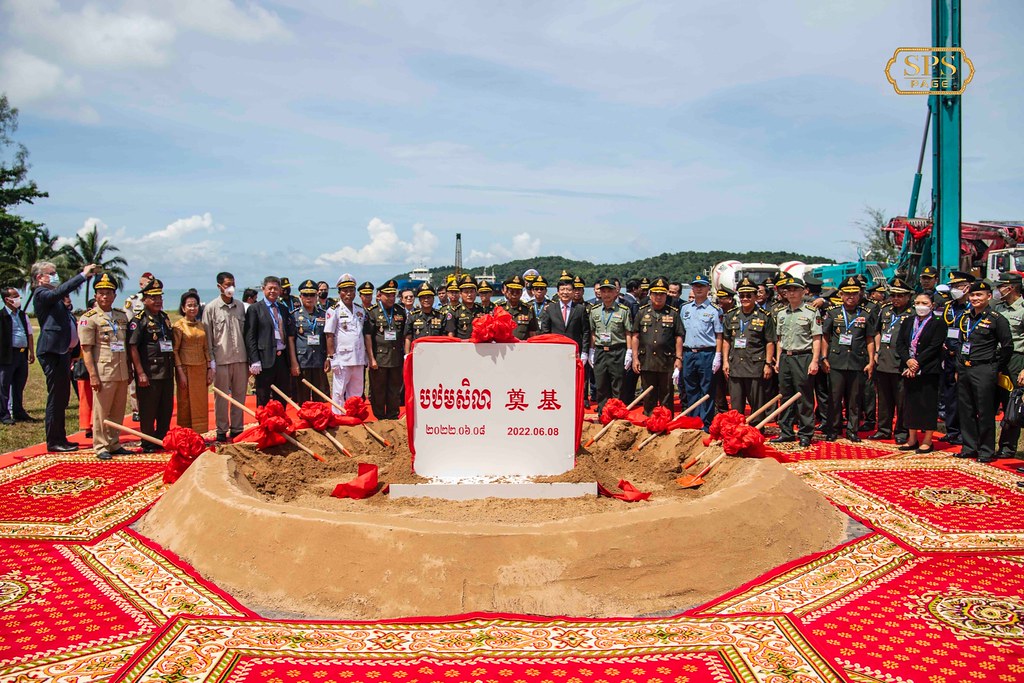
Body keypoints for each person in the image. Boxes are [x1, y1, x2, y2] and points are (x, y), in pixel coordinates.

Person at [32, 261, 99, 451]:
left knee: (62, 397)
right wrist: (82, 276)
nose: (55, 276)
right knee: (56, 397)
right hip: (51, 352)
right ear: (40, 277)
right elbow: (57, 293)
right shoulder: (41, 293)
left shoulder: (56, 300)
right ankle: (54, 441)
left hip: (64, 353)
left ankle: (61, 438)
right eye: (51, 273)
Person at [955, 280, 1012, 463]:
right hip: (965, 367)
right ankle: (969, 447)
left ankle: (986, 450)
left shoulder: (996, 318)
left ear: (989, 296)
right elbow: (959, 343)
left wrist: (996, 367)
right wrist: (959, 366)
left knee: (985, 410)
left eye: (979, 295)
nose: (975, 298)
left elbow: (1007, 346)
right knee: (966, 409)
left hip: (984, 368)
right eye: (972, 295)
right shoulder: (965, 317)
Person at [78, 274, 132, 459]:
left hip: (121, 370)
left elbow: (125, 345)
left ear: (114, 295)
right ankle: (100, 445)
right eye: (101, 293)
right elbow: (86, 350)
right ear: (96, 295)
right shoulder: (89, 318)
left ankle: (114, 442)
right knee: (102, 411)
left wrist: (129, 369)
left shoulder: (121, 316)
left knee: (118, 410)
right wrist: (92, 375)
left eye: (108, 293)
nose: (105, 297)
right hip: (104, 371)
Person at [821, 276, 877, 442]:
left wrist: (871, 361)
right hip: (836, 361)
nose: (850, 296)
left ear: (859, 294)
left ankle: (853, 430)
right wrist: (824, 357)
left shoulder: (866, 314)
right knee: (834, 398)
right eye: (847, 293)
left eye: (854, 293)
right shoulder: (833, 312)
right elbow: (825, 336)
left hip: (857, 361)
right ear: (841, 294)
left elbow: (870, 339)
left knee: (854, 400)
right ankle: (834, 429)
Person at [772, 276, 822, 448]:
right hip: (786, 356)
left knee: (804, 396)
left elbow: (817, 338)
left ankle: (805, 433)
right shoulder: (781, 313)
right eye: (789, 290)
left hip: (803, 356)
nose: (791, 293)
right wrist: (778, 359)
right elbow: (779, 339)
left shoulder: (811, 312)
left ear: (803, 291)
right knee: (785, 396)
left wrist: (815, 361)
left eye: (795, 289)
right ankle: (785, 431)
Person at [127, 278, 176, 447]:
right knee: (148, 410)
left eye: (160, 298)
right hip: (149, 373)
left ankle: (162, 438)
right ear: (144, 299)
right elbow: (133, 347)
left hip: (167, 371)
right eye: (153, 298)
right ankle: (148, 442)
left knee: (165, 408)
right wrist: (140, 372)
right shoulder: (138, 320)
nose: (158, 301)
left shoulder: (164, 318)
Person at [895, 293, 946, 452]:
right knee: (910, 404)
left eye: (924, 303)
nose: (920, 306)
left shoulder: (938, 322)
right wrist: (908, 361)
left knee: (927, 404)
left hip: (928, 369)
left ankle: (928, 440)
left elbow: (934, 346)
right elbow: (901, 343)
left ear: (931, 305)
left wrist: (917, 363)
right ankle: (912, 438)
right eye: (917, 302)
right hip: (909, 368)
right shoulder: (909, 321)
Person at [203, 272, 248, 442]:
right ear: (219, 286)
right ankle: (221, 429)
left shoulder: (240, 306)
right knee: (221, 398)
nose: (231, 288)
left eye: (233, 284)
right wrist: (210, 361)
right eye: (227, 284)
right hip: (221, 360)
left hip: (240, 358)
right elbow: (208, 336)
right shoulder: (211, 308)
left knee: (239, 396)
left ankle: (237, 429)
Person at [630, 277, 684, 415]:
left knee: (667, 394)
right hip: (646, 359)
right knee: (648, 394)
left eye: (662, 294)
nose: (658, 297)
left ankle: (665, 421)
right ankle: (650, 419)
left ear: (666, 295)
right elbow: (635, 336)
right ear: (650, 294)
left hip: (666, 360)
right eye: (655, 294)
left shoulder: (673, 313)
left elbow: (679, 336)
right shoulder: (642, 312)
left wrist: (679, 358)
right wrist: (634, 358)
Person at [722, 277, 775, 416]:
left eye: (748, 295)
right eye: (742, 295)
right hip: (735, 365)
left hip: (755, 365)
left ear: (755, 296)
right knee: (736, 404)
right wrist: (725, 361)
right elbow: (726, 340)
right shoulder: (731, 315)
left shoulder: (765, 317)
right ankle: (736, 429)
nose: (745, 298)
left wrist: (768, 364)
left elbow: (770, 341)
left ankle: (757, 429)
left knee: (757, 403)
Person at [244, 276, 300, 407]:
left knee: (281, 396)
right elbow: (250, 336)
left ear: (280, 290)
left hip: (282, 359)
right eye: (270, 288)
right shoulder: (255, 309)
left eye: (276, 288)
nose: (273, 291)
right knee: (263, 397)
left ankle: (280, 424)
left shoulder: (283, 309)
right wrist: (254, 360)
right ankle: (264, 425)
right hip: (264, 360)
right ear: (263, 289)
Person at [871, 277, 913, 443]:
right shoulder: (885, 310)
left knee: (901, 400)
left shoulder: (913, 313)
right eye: (893, 295)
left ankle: (901, 431)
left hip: (901, 362)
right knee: (884, 399)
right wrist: (876, 350)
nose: (896, 299)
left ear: (908, 297)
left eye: (900, 296)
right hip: (884, 360)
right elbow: (878, 331)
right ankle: (883, 429)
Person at [679, 275, 724, 430]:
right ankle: (693, 421)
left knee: (706, 390)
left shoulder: (715, 310)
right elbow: (681, 333)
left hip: (707, 353)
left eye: (702, 286)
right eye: (696, 286)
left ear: (707, 289)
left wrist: (718, 355)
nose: (698, 289)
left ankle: (706, 423)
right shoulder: (685, 309)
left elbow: (719, 334)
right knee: (690, 389)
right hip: (689, 353)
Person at [588, 277, 634, 416]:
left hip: (617, 351)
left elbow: (628, 333)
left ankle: (617, 415)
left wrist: (629, 352)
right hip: (601, 351)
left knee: (618, 386)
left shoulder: (623, 310)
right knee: (601, 385)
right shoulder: (594, 311)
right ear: (599, 293)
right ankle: (604, 414)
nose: (606, 294)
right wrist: (591, 350)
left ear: (616, 293)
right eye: (603, 291)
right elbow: (593, 332)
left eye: (610, 291)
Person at [939, 271, 974, 445]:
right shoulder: (948, 306)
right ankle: (952, 429)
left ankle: (964, 432)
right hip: (948, 355)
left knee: (964, 395)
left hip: (965, 356)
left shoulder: (972, 308)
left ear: (967, 287)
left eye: (957, 286)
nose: (954, 289)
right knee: (949, 394)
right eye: (952, 286)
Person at [364, 279, 406, 419]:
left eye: (393, 295)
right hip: (379, 358)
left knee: (394, 389)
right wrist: (371, 358)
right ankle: (379, 416)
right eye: (387, 295)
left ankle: (393, 415)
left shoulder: (400, 311)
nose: (391, 298)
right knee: (378, 390)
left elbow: (405, 334)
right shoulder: (373, 312)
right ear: (380, 295)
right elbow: (368, 336)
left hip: (396, 358)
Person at [324, 274, 367, 411]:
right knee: (338, 392)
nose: (348, 293)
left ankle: (353, 416)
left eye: (351, 290)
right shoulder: (334, 310)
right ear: (339, 292)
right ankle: (338, 417)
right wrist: (331, 357)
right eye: (345, 290)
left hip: (358, 357)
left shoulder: (360, 310)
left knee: (357, 391)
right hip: (342, 357)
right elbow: (329, 335)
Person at [172, 291, 212, 433]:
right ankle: (186, 434)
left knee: (200, 402)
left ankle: (200, 433)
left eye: (195, 305)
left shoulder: (201, 325)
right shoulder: (178, 326)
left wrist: (209, 369)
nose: (192, 308)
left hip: (200, 369)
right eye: (189, 305)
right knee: (186, 403)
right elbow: (175, 350)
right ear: (183, 308)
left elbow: (206, 348)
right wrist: (180, 372)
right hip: (185, 369)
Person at [995, 272, 1024, 459]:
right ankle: (988, 444)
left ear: (1011, 287)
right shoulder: (998, 308)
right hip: (996, 357)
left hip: (1016, 359)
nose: (998, 290)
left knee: (1011, 403)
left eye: (1001, 287)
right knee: (990, 400)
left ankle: (1008, 446)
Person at [0, 286, 35, 425]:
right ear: (7, 300)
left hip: (22, 353)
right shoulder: (2, 316)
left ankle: (19, 411)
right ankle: (4, 414)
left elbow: (29, 334)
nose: (18, 298)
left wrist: (31, 351)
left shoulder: (22, 314)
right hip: (7, 355)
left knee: (19, 383)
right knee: (4, 385)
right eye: (15, 296)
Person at [293, 279, 329, 404]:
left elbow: (328, 337)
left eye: (312, 295)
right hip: (303, 360)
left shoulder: (324, 314)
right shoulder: (294, 315)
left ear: (317, 296)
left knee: (320, 396)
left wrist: (328, 358)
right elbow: (291, 340)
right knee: (303, 397)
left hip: (319, 359)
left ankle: (319, 421)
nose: (309, 298)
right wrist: (294, 362)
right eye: (305, 295)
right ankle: (305, 421)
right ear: (300, 296)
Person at [540, 273, 590, 359]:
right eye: (562, 289)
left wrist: (585, 352)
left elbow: (586, 332)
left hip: (574, 351)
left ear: (573, 292)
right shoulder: (550, 309)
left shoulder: (580, 309)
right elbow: (545, 331)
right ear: (558, 292)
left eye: (568, 290)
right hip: (555, 350)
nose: (565, 292)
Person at [497, 275, 539, 341]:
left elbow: (533, 333)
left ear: (521, 293)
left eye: (517, 292)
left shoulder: (528, 310)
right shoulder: (499, 309)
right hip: (503, 347)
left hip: (522, 348)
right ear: (506, 291)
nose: (515, 294)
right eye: (512, 291)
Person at [405, 282, 445, 347]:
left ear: (433, 299)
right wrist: (407, 355)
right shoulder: (413, 316)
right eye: (423, 298)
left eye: (428, 297)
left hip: (436, 352)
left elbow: (444, 337)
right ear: (420, 300)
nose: (426, 300)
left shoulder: (440, 316)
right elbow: (408, 338)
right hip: (418, 352)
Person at [445, 274, 486, 340]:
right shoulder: (454, 312)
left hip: (480, 347)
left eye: (472, 292)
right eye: (466, 292)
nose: (469, 295)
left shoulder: (481, 310)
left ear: (476, 293)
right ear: (460, 294)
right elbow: (451, 335)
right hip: (462, 347)